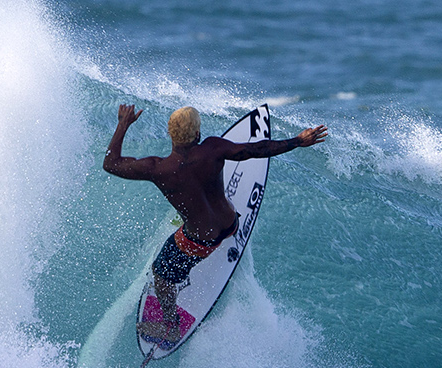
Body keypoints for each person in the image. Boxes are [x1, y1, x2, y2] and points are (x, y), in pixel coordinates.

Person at [103, 103, 327, 342]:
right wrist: (297, 141)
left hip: (199, 241)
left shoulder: (157, 168)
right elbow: (256, 149)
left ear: (170, 134)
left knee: (161, 275)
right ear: (197, 135)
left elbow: (110, 163)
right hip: (230, 223)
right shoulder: (213, 149)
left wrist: (123, 124)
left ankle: (170, 326)